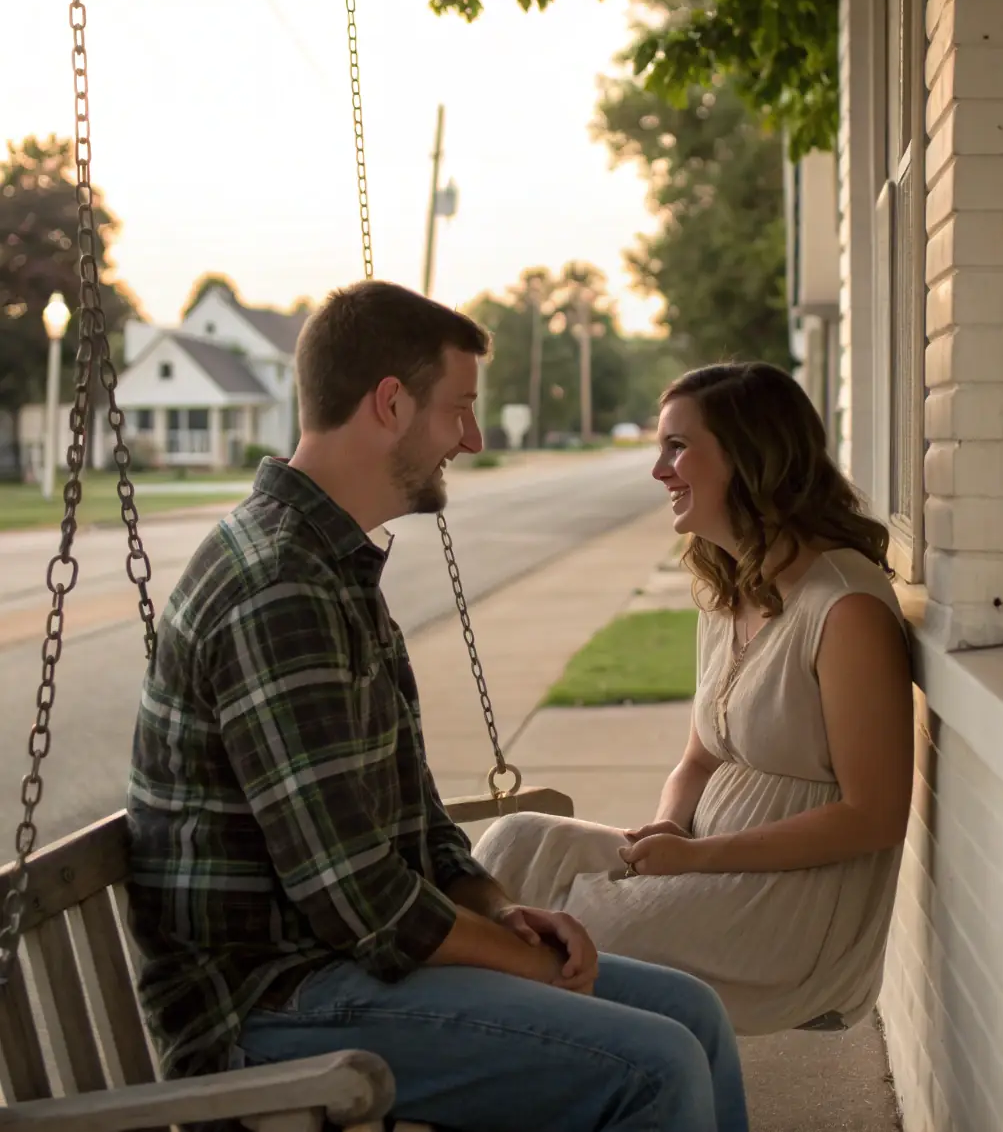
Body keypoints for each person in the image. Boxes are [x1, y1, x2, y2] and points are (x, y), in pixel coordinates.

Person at [126, 281, 749, 1132]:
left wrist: (502, 912)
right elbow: (358, 899)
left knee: (694, 1016)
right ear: (390, 403)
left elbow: (418, 828)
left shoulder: (333, 570)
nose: (474, 437)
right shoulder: (277, 587)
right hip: (272, 1007)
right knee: (655, 1065)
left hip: (348, 969)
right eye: (459, 409)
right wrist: (519, 963)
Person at [476, 361, 914, 1037]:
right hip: (706, 862)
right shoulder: (732, 589)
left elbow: (875, 815)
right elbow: (698, 759)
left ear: (749, 456)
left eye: (677, 446)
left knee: (561, 938)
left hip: (791, 912)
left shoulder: (844, 607)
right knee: (517, 843)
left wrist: (698, 859)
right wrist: (672, 827)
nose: (659, 469)